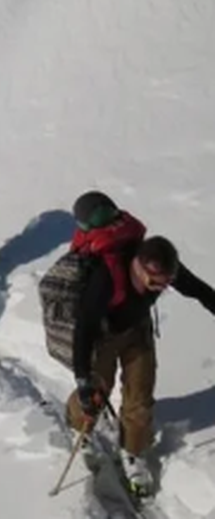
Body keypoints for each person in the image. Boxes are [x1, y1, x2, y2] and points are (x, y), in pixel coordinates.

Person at [67, 191, 215, 496]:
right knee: (95, 392)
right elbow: (83, 329)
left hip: (138, 329)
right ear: (140, 266)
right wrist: (82, 379)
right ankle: (77, 427)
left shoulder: (161, 264)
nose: (163, 288)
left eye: (167, 282)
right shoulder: (105, 277)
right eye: (157, 283)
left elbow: (199, 290)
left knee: (141, 395)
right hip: (102, 335)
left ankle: (133, 451)